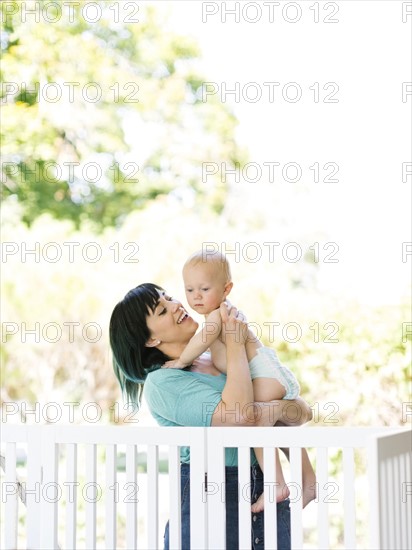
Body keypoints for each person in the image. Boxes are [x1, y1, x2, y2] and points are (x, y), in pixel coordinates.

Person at [109, 283, 313, 549]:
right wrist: (235, 344)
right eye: (161, 310)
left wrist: (273, 410)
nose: (176, 305)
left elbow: (302, 411)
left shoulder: (215, 356)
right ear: (150, 340)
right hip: (212, 497)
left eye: (169, 297)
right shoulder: (163, 382)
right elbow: (240, 415)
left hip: (265, 488)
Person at [163, 250, 316, 511]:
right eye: (189, 290)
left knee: (254, 419)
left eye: (204, 288)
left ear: (226, 289)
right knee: (277, 424)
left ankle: (276, 484)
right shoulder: (224, 314)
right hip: (270, 372)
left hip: (264, 374)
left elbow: (202, 339)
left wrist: (180, 361)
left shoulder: (220, 315)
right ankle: (309, 480)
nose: (196, 296)